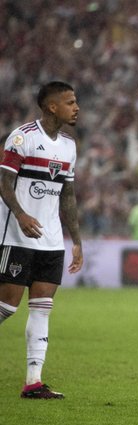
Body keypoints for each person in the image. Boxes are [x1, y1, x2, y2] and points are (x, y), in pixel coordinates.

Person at [0, 81, 83, 398]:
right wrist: (21, 214)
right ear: (52, 106)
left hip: (50, 241)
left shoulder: (68, 146)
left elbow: (69, 196)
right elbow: (4, 183)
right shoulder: (23, 138)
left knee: (42, 308)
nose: (76, 107)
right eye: (70, 102)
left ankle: (33, 382)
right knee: (7, 306)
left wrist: (75, 239)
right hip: (17, 235)